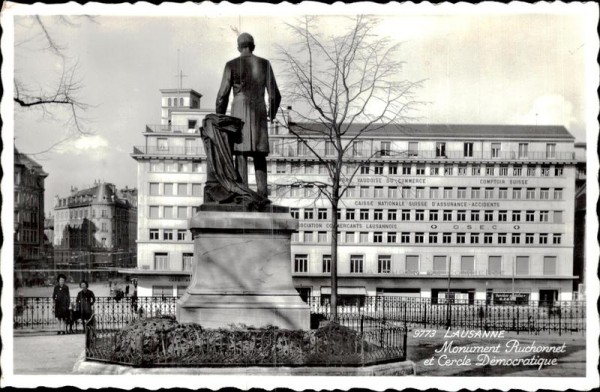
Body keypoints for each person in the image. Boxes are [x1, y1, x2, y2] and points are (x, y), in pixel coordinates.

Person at [215, 32, 281, 199]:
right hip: (258, 111)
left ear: (238, 47)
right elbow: (274, 95)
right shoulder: (265, 64)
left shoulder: (231, 65)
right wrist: (271, 114)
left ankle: (243, 195)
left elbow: (222, 95)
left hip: (239, 110)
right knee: (260, 155)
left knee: (241, 153)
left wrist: (219, 118)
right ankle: (262, 195)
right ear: (253, 46)